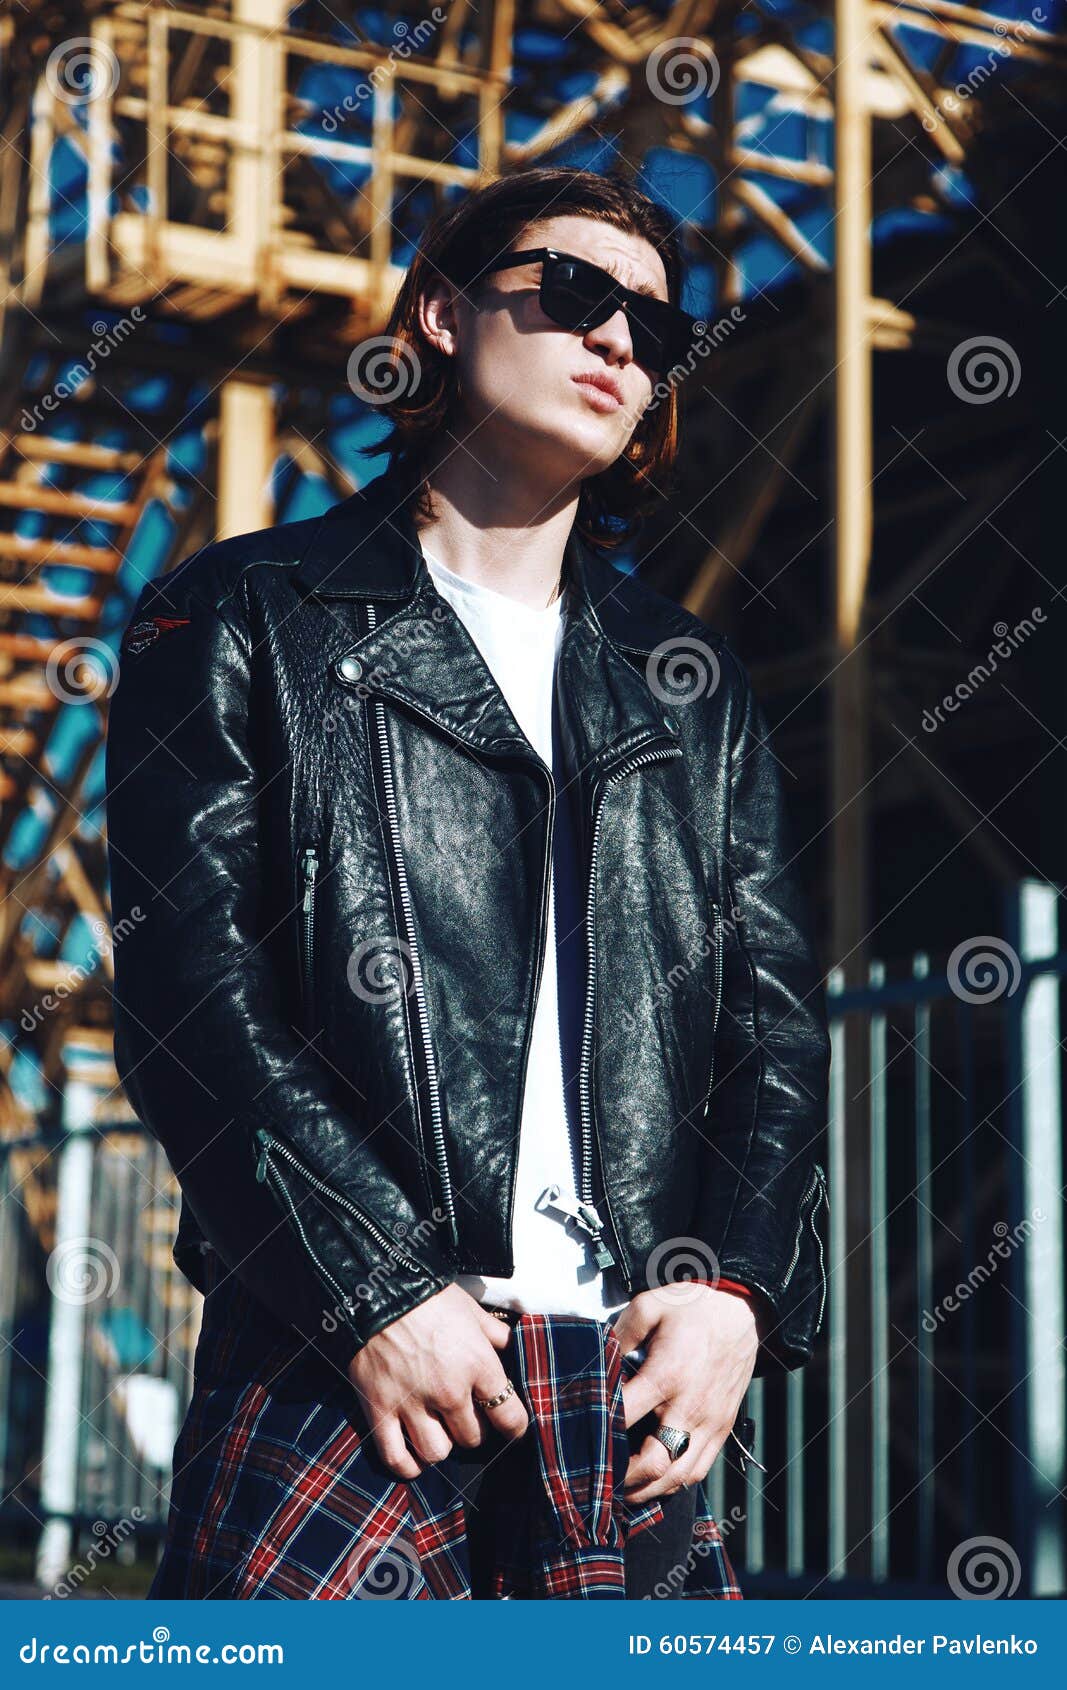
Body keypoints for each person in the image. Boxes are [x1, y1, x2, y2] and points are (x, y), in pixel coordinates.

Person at [105, 167, 831, 1599]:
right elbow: (192, 989)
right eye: (573, 294)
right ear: (439, 313)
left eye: (656, 328)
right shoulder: (242, 613)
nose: (621, 341)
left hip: (628, 1385)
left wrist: (740, 1290)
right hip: (349, 1356)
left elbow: (775, 1023)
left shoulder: (688, 686)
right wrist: (375, 1285)